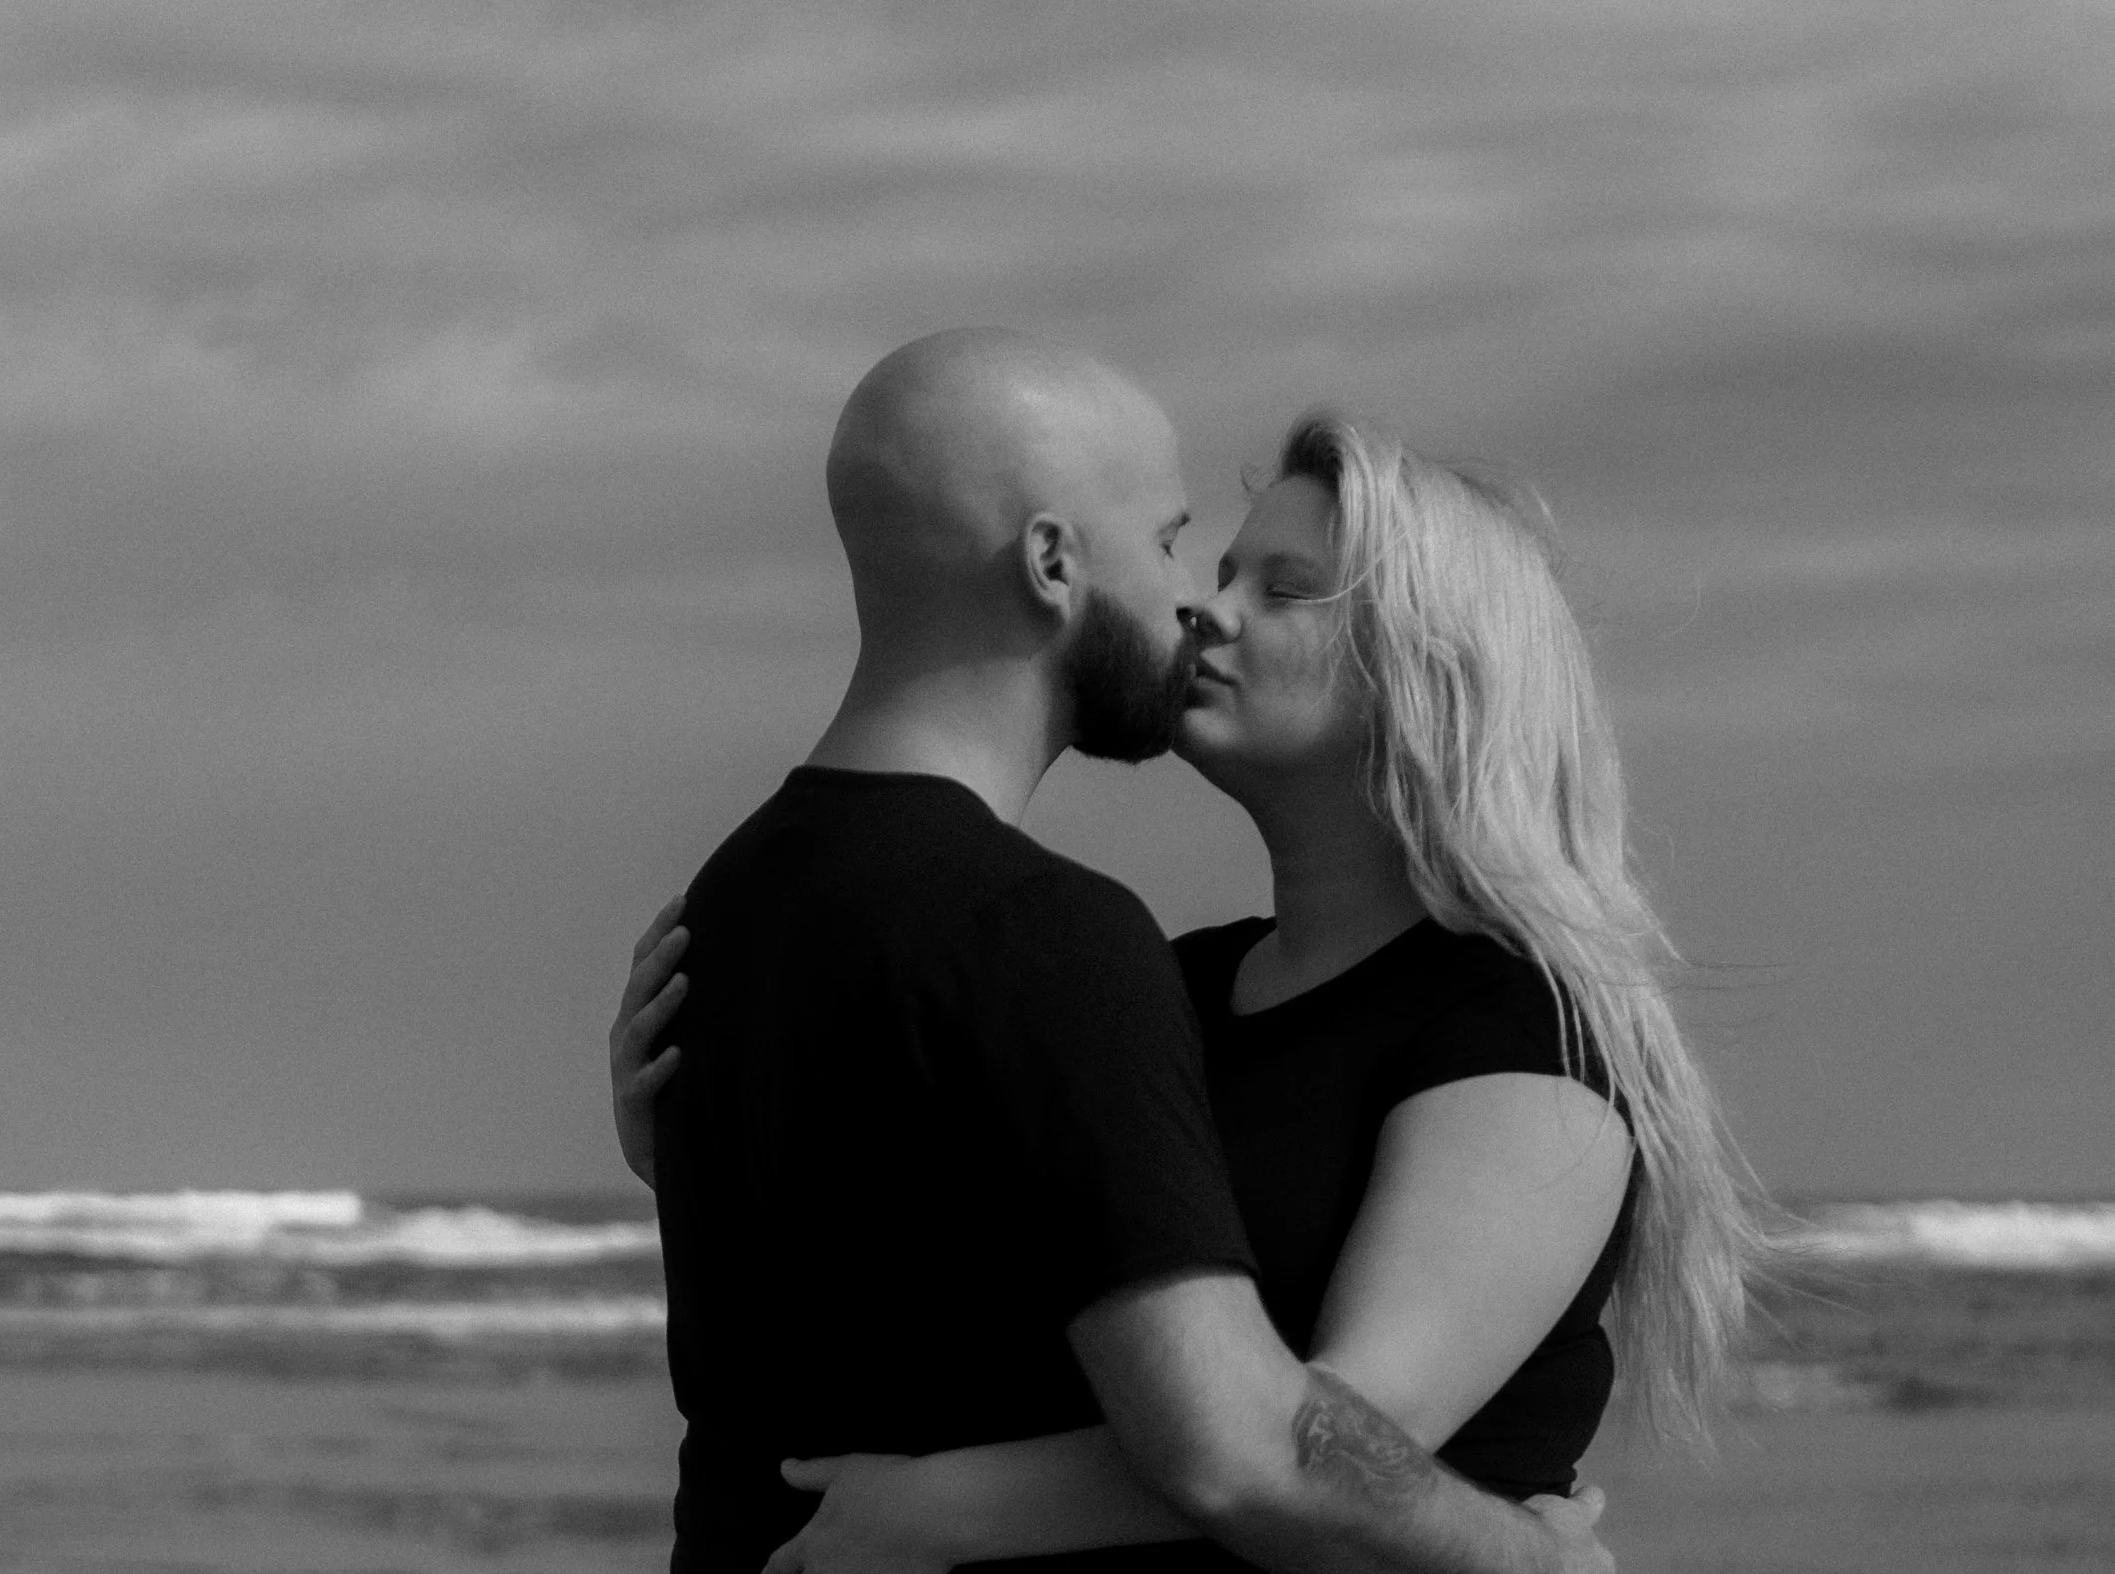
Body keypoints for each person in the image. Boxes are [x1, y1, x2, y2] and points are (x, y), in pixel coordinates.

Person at [626, 327, 1613, 1574]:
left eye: (1284, 587)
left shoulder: (1516, 1028)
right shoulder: (1120, 964)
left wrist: (944, 1503)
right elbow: (1208, 1422)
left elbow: (1331, 1436)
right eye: (1179, 548)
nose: (1201, 599)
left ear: (1432, 668)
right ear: (1050, 562)